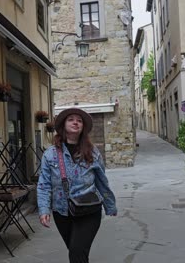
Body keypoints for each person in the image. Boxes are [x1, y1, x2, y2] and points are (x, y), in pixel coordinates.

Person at [37, 107, 117, 263]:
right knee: (78, 254)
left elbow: (102, 182)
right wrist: (44, 209)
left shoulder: (93, 153)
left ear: (83, 128)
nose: (76, 122)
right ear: (63, 126)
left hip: (89, 210)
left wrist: (110, 205)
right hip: (62, 212)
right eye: (71, 119)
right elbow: (44, 185)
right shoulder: (50, 155)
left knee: (76, 251)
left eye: (79, 120)